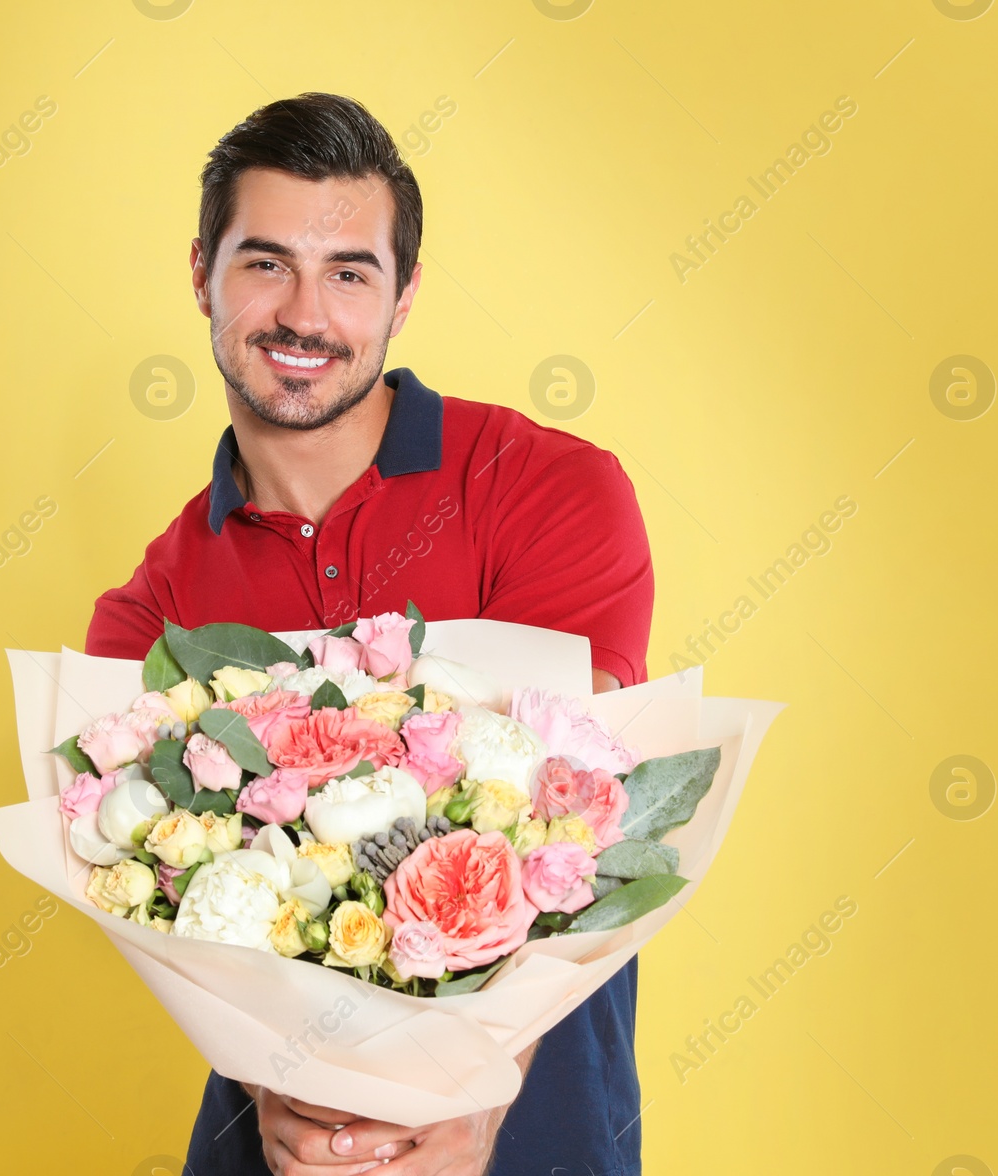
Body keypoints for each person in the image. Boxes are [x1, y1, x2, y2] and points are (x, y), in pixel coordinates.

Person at [85, 93, 654, 1176]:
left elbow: (586, 830)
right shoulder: (151, 615)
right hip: (275, 1134)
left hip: (532, 1118)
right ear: (201, 273)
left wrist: (470, 1106)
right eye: (265, 265)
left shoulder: (550, 492)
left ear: (402, 299)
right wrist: (277, 1094)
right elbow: (166, 901)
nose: (306, 313)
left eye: (348, 272)